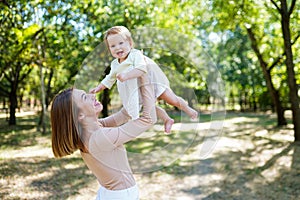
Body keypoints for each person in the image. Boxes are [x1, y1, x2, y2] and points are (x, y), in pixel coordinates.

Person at [51, 73, 157, 200]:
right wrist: (144, 77)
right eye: (85, 97)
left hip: (108, 194)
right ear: (80, 116)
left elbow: (125, 113)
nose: (92, 95)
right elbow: (149, 120)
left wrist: (140, 86)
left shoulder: (92, 131)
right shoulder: (100, 138)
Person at [90, 26, 198, 133]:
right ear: (109, 49)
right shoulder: (115, 64)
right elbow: (109, 78)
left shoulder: (135, 55)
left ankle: (188, 109)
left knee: (172, 100)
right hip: (138, 89)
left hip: (153, 82)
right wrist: (99, 87)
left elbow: (141, 69)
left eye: (121, 43)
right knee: (149, 106)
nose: (118, 48)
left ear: (130, 43)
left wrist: (126, 75)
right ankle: (167, 119)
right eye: (113, 46)